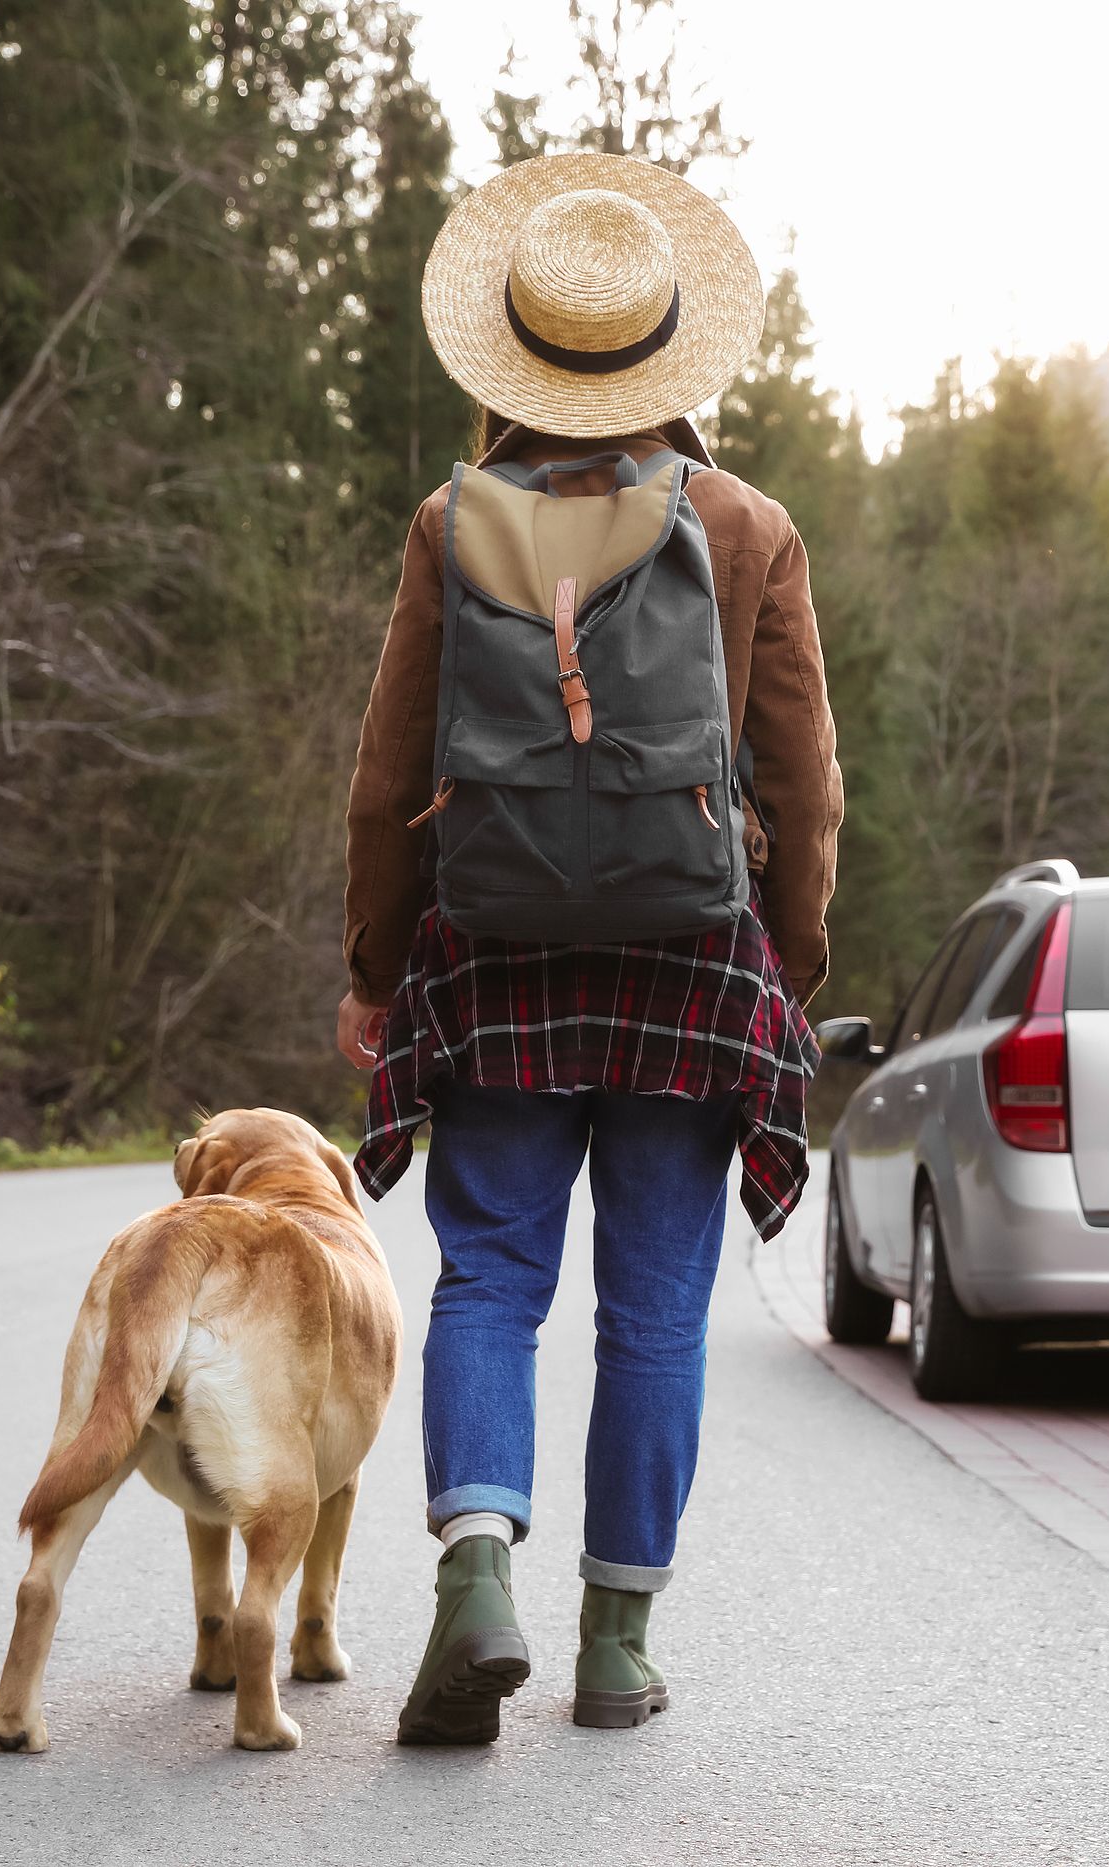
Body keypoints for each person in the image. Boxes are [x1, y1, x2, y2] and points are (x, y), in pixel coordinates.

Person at [334, 152, 840, 1745]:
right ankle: (615, 1646)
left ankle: (475, 1568)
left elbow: (386, 771)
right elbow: (809, 786)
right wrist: (789, 967)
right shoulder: (749, 526)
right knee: (656, 1309)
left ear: (514, 346)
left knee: (488, 1276)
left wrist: (372, 961)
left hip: (493, 954)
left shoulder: (452, 519)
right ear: (673, 349)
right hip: (693, 962)